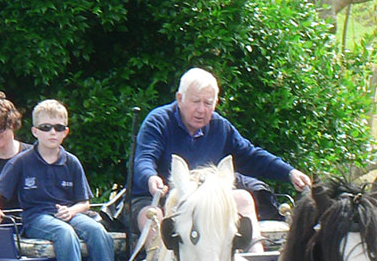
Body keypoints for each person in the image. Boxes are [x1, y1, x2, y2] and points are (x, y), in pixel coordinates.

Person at [128, 67, 313, 250]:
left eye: (208, 103)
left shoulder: (220, 127)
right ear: (179, 99)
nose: (201, 109)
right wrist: (151, 178)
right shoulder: (158, 121)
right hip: (157, 199)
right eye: (195, 101)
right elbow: (144, 159)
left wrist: (290, 172)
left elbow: (252, 156)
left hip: (205, 201)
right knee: (153, 217)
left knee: (243, 198)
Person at [0, 99, 115, 261]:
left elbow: (85, 203)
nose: (52, 132)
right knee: (63, 232)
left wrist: (71, 211)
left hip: (68, 214)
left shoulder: (72, 162)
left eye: (58, 127)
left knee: (97, 230)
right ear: (35, 131)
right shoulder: (21, 161)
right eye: (46, 128)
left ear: (66, 132)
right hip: (37, 218)